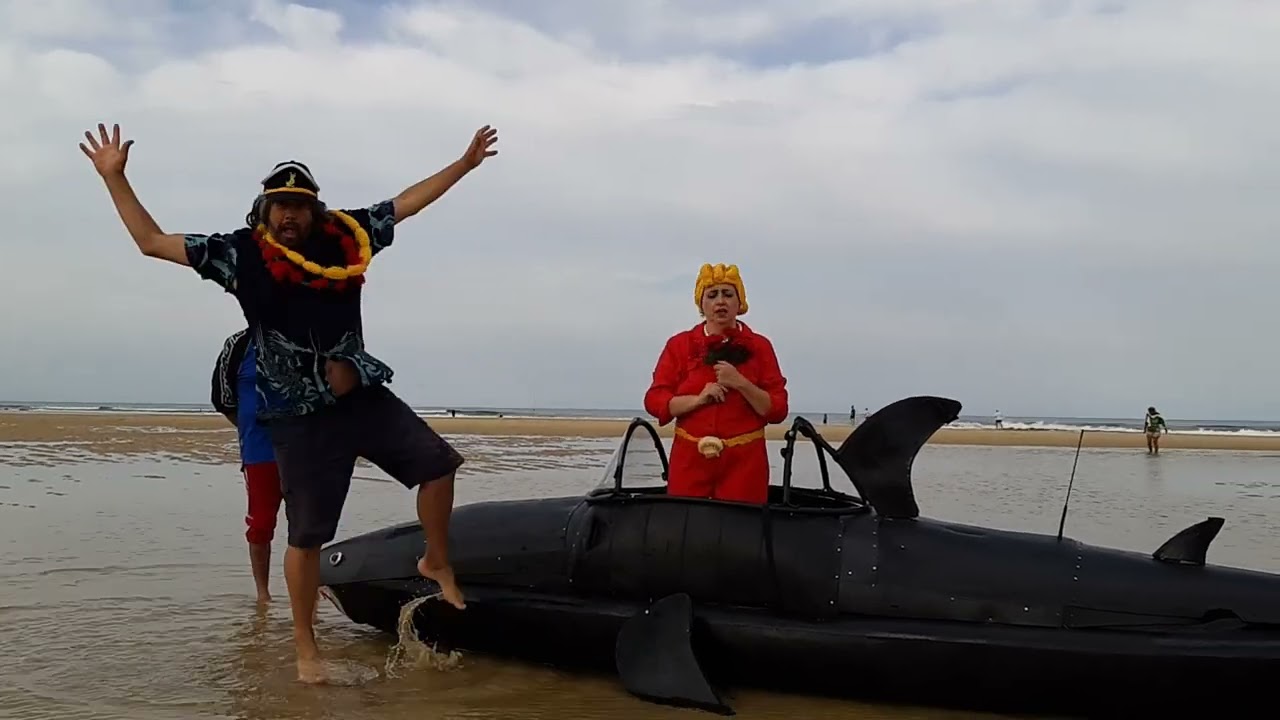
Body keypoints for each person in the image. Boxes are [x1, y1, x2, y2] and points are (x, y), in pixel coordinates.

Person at [79, 121, 498, 683]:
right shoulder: (238, 254)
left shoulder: (345, 237)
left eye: (300, 204)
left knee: (440, 468)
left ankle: (436, 559)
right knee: (306, 538)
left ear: (315, 210)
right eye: (281, 204)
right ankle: (306, 649)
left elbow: (406, 204)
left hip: (361, 395)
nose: (291, 215)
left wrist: (464, 165)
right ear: (265, 209)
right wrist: (115, 178)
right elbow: (152, 243)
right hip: (296, 417)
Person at [643, 263, 789, 504]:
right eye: (712, 295)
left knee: (742, 529)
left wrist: (740, 382)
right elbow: (654, 401)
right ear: (702, 304)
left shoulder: (760, 347)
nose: (720, 301)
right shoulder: (679, 345)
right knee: (685, 527)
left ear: (739, 302)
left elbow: (778, 410)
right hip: (690, 462)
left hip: (745, 465)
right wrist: (699, 399)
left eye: (728, 294)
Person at [212, 328, 284, 605]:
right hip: (259, 451)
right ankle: (263, 595)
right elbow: (223, 398)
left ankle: (308, 593)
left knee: (307, 526)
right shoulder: (239, 343)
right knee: (261, 525)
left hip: (304, 451)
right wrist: (250, 429)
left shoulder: (307, 337)